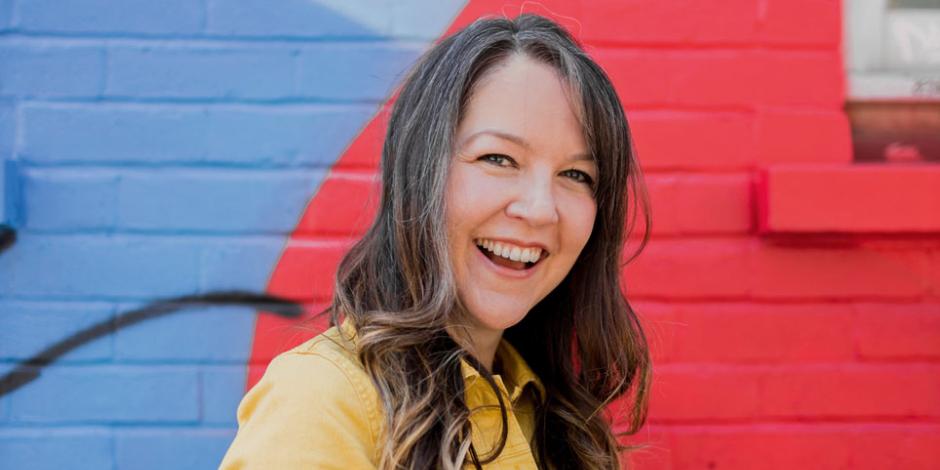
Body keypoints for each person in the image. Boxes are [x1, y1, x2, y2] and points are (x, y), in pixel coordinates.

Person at [220, 13, 651, 470]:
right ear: (419, 174)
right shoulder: (324, 399)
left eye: (576, 175)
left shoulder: (550, 415)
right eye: (499, 158)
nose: (541, 209)